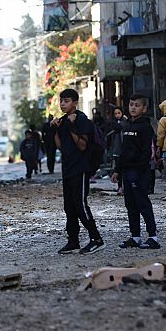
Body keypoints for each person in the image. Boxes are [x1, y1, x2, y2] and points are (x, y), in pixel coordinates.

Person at [52, 88, 105, 255]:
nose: (62, 104)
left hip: (80, 168)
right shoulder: (63, 120)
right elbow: (60, 146)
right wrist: (56, 129)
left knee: (81, 205)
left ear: (75, 102)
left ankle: (96, 239)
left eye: (66, 101)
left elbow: (82, 145)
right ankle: (73, 241)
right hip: (67, 168)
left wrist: (72, 125)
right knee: (69, 207)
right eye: (61, 101)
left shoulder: (81, 120)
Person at [111, 95, 159, 249]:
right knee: (130, 205)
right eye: (131, 104)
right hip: (126, 171)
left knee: (143, 203)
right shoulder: (127, 126)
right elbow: (123, 151)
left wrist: (138, 172)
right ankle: (135, 237)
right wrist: (117, 171)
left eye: (137, 105)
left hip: (139, 172)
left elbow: (146, 152)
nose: (133, 108)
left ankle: (153, 237)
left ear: (144, 108)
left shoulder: (145, 127)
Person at [108, 107, 127, 193]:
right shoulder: (114, 123)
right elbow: (116, 126)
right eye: (115, 114)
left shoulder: (126, 121)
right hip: (116, 149)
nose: (117, 115)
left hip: (125, 148)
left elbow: (121, 126)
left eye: (119, 113)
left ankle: (126, 186)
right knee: (118, 169)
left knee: (125, 169)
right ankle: (120, 186)